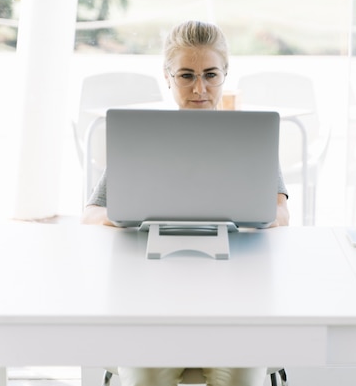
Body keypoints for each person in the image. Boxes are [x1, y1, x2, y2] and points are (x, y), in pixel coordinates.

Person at [81, 20, 290, 386]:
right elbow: (91, 214)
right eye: (186, 75)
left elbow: (281, 212)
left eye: (211, 74)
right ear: (167, 76)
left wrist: (254, 216)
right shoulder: (143, 140)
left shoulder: (249, 140)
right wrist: (127, 216)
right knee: (145, 377)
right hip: (154, 300)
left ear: (225, 73)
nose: (199, 88)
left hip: (235, 299)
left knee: (241, 377)